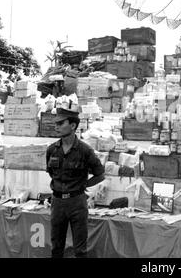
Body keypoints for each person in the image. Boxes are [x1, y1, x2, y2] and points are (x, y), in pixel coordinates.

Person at [46, 108, 105, 258]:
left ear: (73, 126)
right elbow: (52, 174)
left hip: (77, 203)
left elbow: (100, 174)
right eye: (56, 123)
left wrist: (83, 185)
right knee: (56, 248)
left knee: (80, 250)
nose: (56, 126)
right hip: (57, 202)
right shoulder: (52, 150)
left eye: (60, 123)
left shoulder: (85, 151)